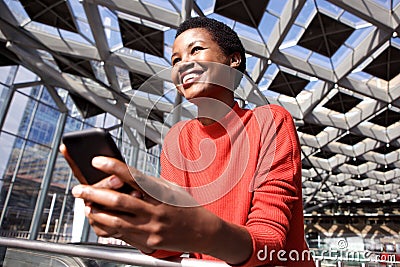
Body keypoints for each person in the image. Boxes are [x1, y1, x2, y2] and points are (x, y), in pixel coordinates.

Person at [61, 17, 315, 266]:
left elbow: (270, 241)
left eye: (196, 50)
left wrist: (203, 233)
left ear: (233, 60)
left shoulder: (270, 120)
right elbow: (172, 247)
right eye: (176, 60)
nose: (183, 65)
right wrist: (140, 231)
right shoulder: (177, 138)